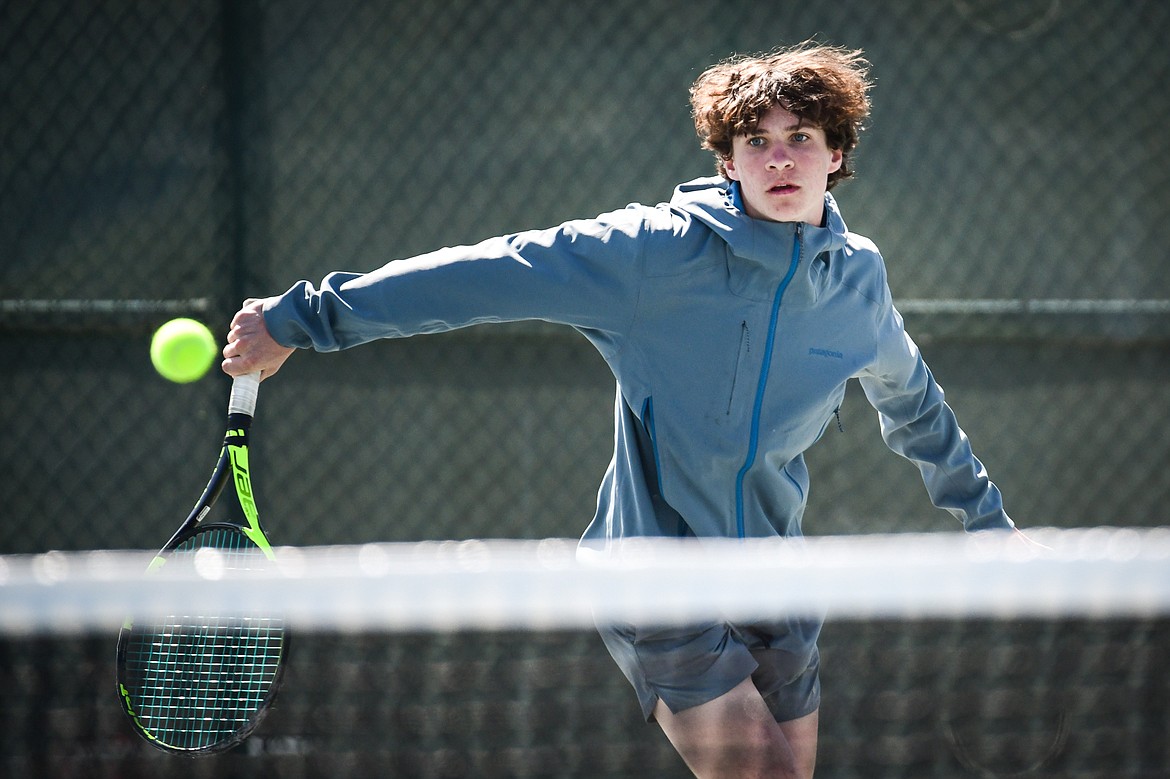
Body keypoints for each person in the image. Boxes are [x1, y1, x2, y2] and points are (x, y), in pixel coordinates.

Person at [223, 41, 1024, 779]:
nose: (779, 158)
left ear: (836, 152)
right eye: (756, 142)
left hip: (778, 588)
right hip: (656, 581)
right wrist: (300, 319)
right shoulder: (648, 254)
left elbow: (916, 406)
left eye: (801, 137)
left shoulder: (857, 284)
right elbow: (482, 275)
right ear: (727, 161)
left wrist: (992, 535)